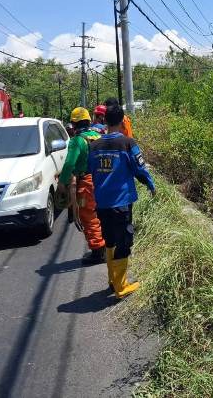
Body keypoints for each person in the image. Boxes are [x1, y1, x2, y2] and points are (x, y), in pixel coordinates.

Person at [88, 102, 155, 298]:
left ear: (105, 121)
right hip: (121, 202)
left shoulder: (94, 146)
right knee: (124, 241)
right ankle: (121, 286)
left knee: (109, 239)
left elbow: (89, 169)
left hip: (102, 202)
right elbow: (140, 169)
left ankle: (112, 280)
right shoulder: (127, 144)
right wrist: (151, 185)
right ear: (122, 120)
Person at [58, 107, 106, 264]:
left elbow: (69, 164)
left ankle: (98, 251)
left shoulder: (77, 141)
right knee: (102, 214)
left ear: (73, 124)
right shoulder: (99, 135)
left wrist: (62, 183)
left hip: (86, 183)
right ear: (88, 120)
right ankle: (106, 245)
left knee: (88, 216)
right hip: (103, 179)